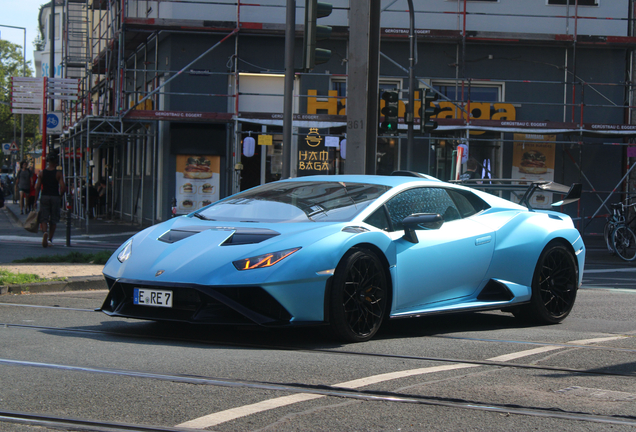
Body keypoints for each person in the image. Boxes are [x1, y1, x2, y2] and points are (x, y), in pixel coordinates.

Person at [34, 154, 66, 248]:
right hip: (54, 196)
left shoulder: (42, 173)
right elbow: (63, 187)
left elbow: (38, 187)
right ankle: (50, 239)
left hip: (44, 196)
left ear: (48, 162)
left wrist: (35, 200)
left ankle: (45, 232)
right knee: (54, 219)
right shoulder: (58, 173)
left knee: (44, 217)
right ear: (55, 162)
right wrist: (60, 196)